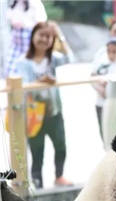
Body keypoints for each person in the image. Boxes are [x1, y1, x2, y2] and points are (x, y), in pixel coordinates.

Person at [15, 21, 72, 188]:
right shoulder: (23, 62)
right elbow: (24, 86)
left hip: (54, 112)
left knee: (61, 146)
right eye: (41, 35)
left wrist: (60, 34)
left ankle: (59, 176)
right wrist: (43, 81)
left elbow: (70, 59)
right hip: (34, 116)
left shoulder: (54, 59)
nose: (44, 39)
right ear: (33, 35)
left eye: (48, 36)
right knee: (37, 152)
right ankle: (38, 184)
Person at [5, 0, 47, 77]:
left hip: (28, 39)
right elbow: (8, 17)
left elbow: (41, 22)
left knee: (27, 66)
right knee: (11, 68)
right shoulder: (15, 3)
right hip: (16, 41)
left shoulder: (35, 3)